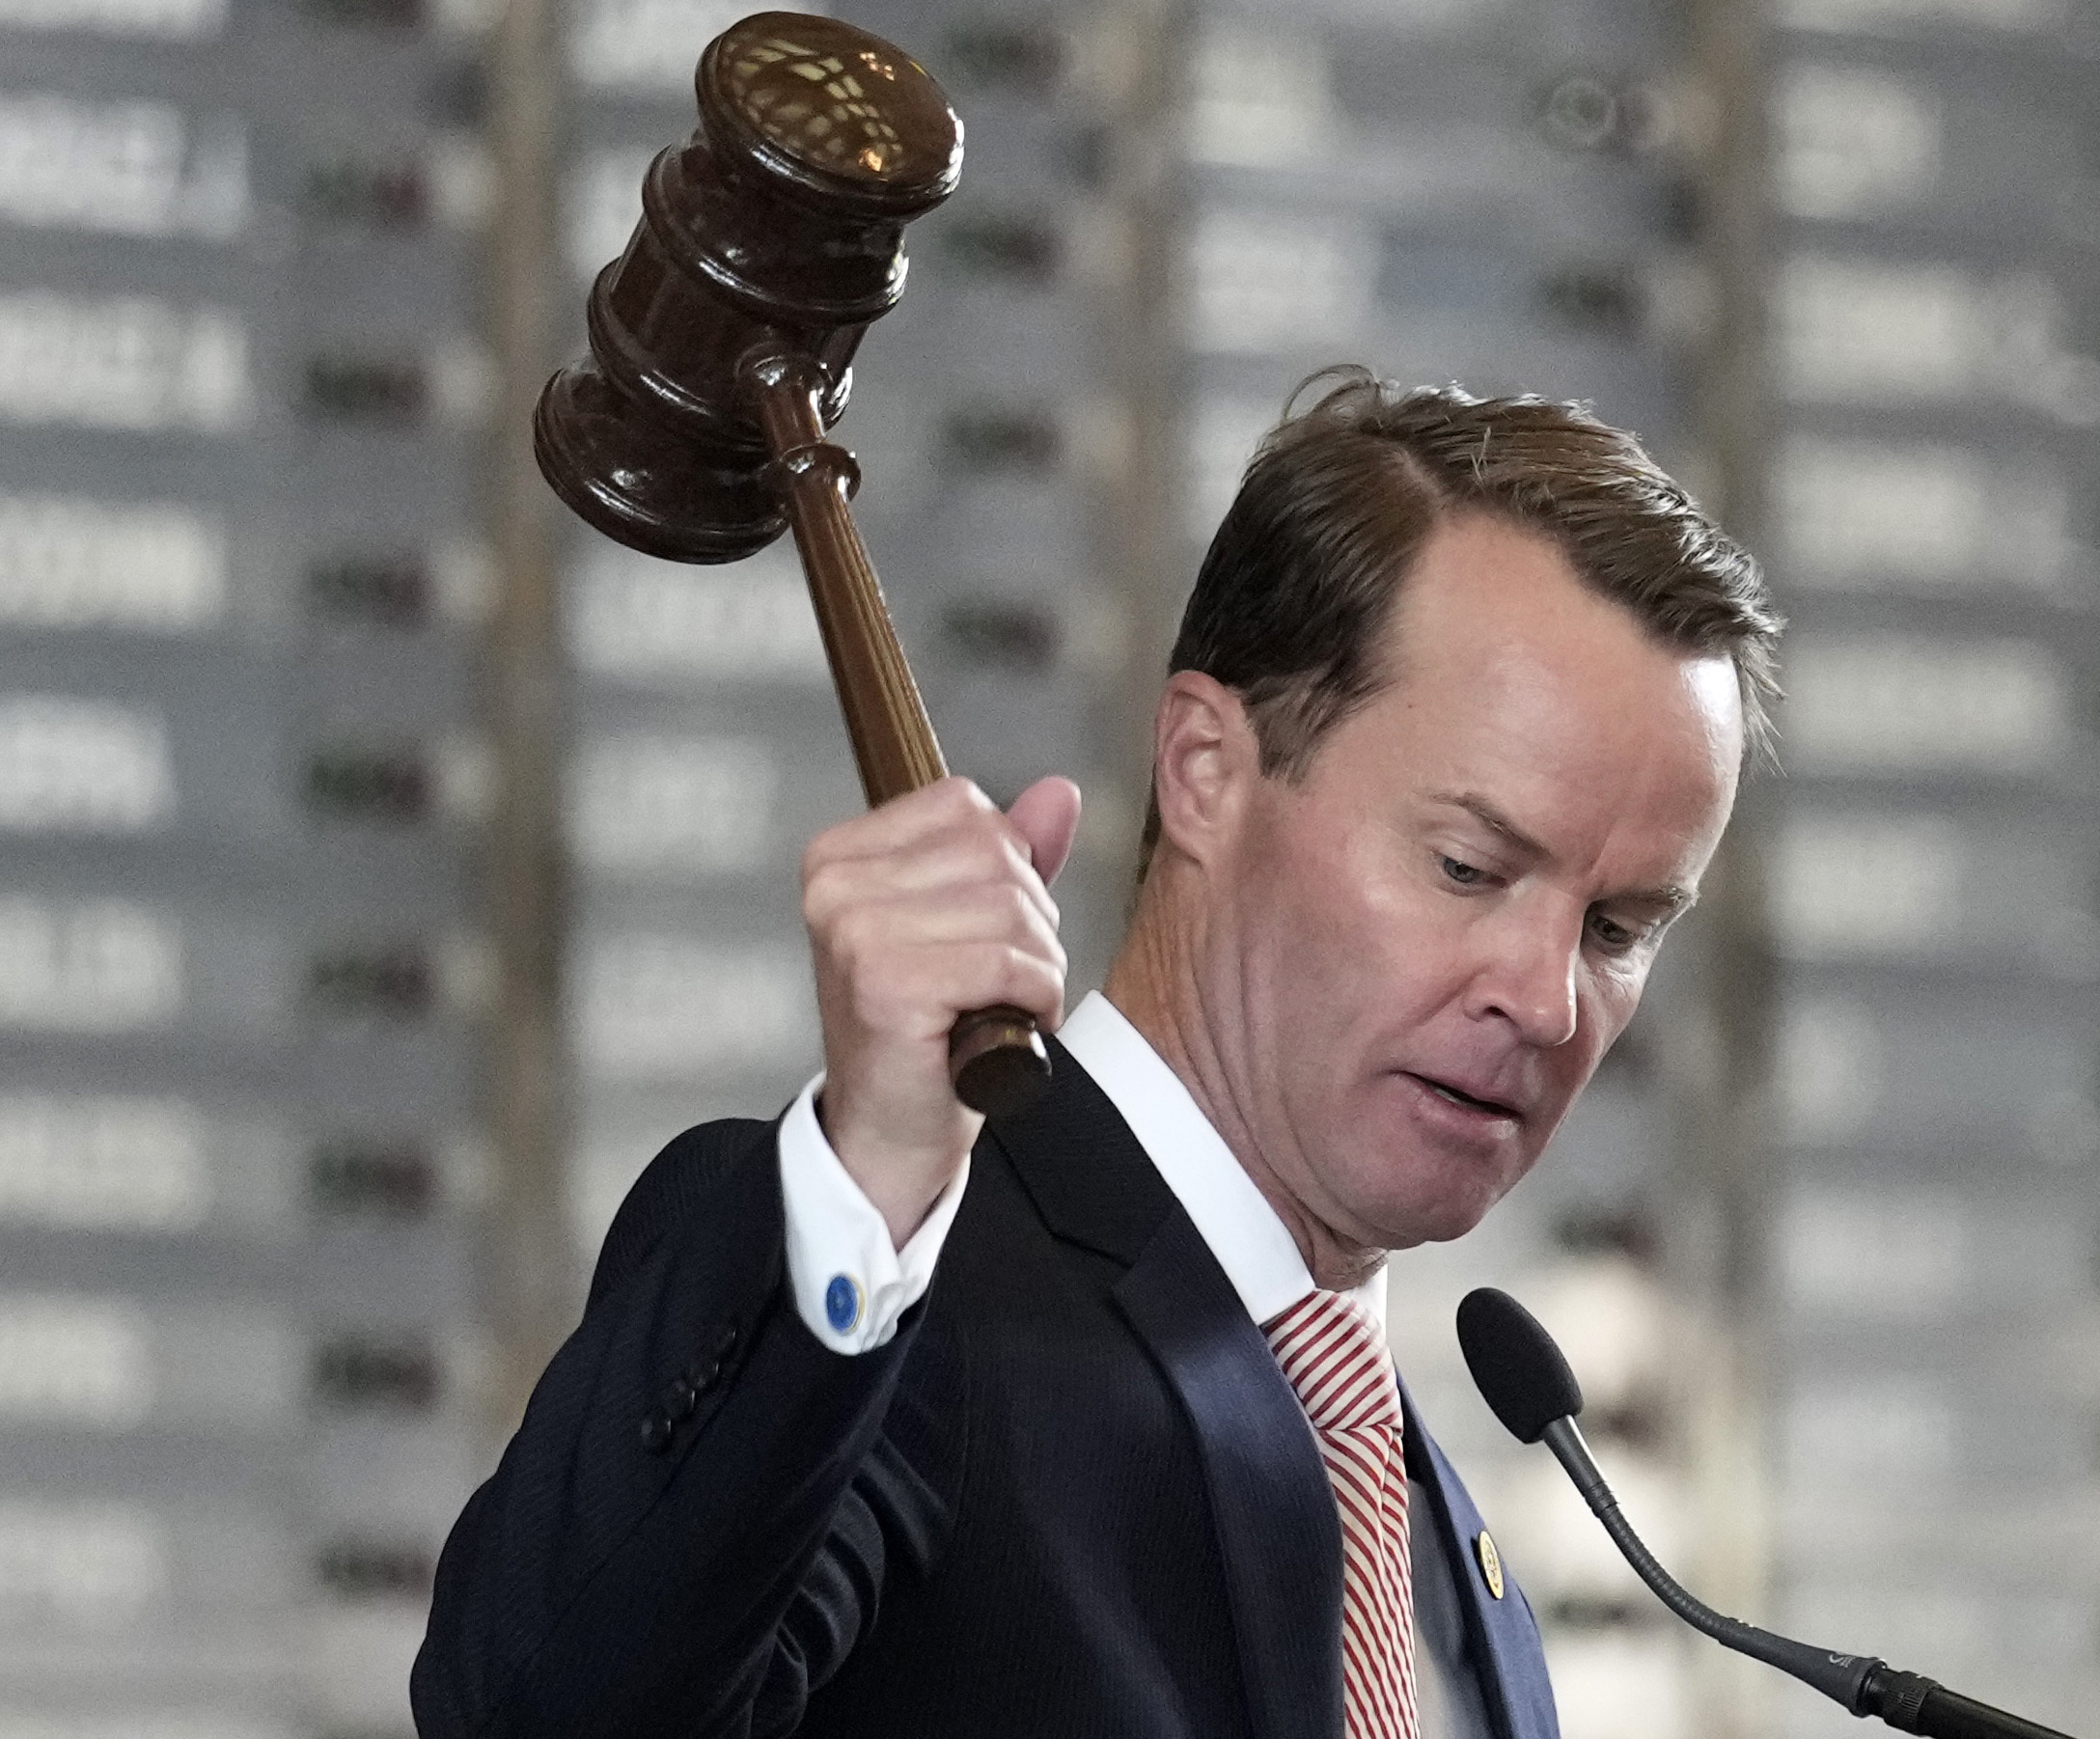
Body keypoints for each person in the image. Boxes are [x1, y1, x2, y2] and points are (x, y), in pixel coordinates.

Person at [412, 369, 1780, 1739]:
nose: (1547, 1001)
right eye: (1470, 865)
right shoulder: (902, 1294)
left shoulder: (1443, 1532)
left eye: (1617, 926)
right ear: (1203, 769)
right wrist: (874, 1166)